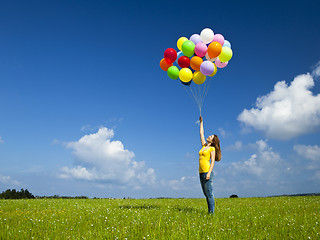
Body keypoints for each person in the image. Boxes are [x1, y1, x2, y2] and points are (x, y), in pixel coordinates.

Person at [199, 116, 221, 214]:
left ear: (212, 141)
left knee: (209, 194)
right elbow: (201, 133)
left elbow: (212, 162)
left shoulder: (212, 149)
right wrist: (201, 122)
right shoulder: (204, 146)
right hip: (201, 172)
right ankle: (210, 212)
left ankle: (211, 214)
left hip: (207, 172)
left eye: (211, 137)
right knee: (206, 194)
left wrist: (209, 173)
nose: (209, 136)